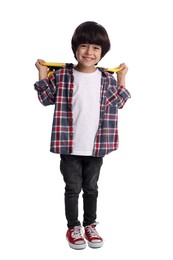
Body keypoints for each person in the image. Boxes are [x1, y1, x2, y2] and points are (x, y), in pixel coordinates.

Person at [34, 21, 131, 250]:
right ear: (76, 48)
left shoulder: (106, 78)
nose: (89, 52)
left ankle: (90, 225)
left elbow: (120, 101)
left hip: (96, 146)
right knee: (72, 188)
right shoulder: (63, 75)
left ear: (102, 53)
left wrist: (122, 77)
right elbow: (46, 99)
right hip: (69, 146)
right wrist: (42, 73)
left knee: (91, 188)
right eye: (84, 46)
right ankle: (73, 227)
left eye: (96, 48)